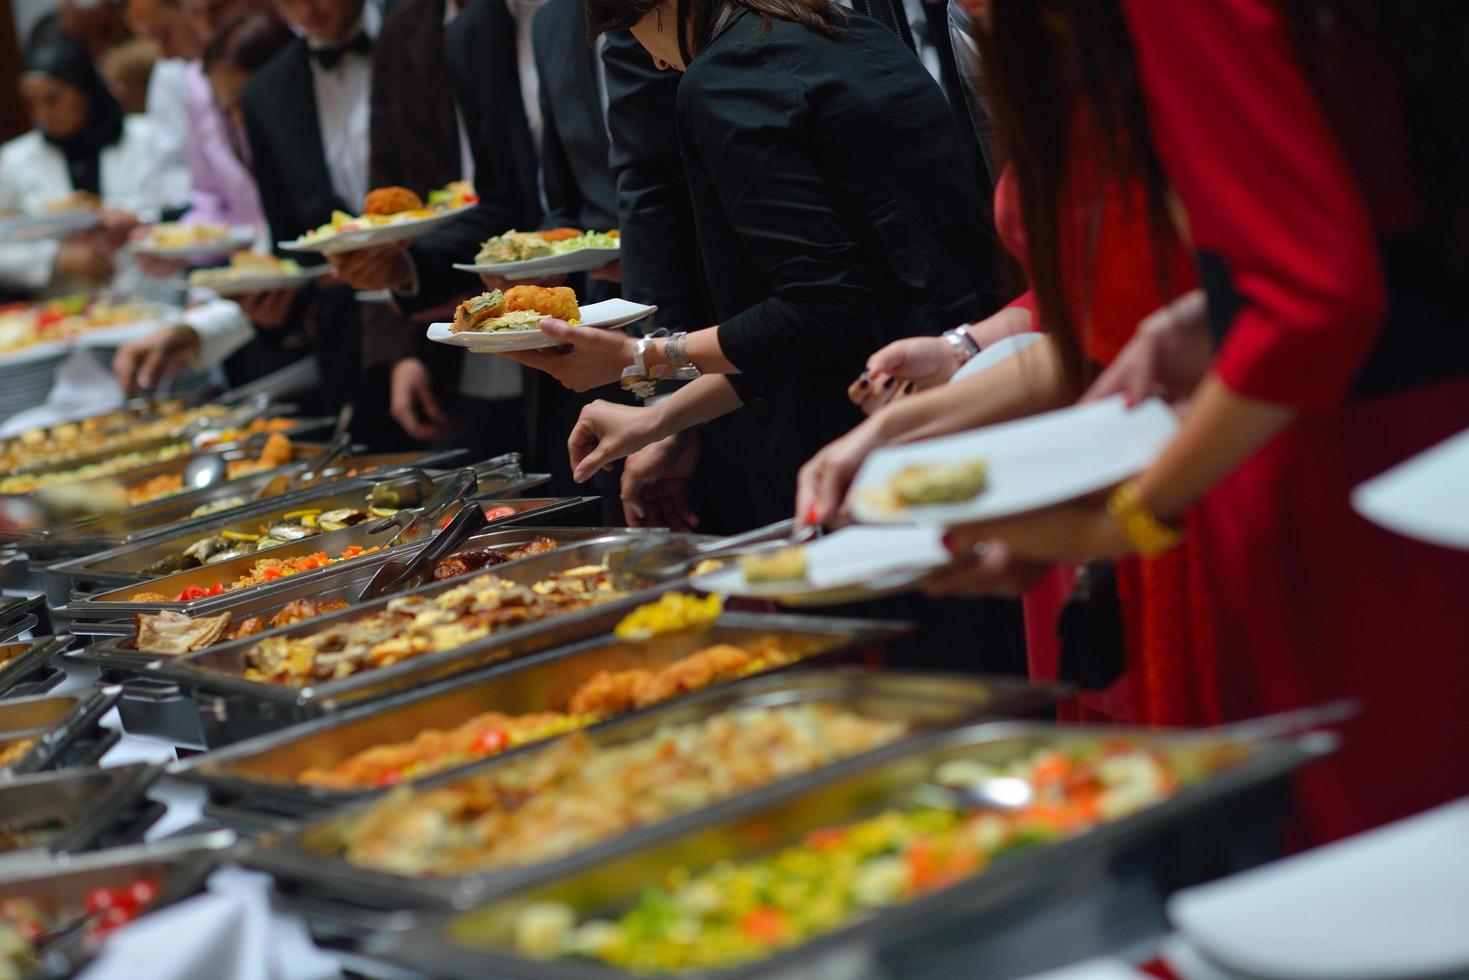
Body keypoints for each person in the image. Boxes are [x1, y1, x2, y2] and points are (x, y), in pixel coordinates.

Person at [932, 0, 1469, 844]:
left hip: (1339, 465)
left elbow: (1314, 302)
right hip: (1407, 441)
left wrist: (1123, 519)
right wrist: (1212, 313)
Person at [514, 0, 994, 513]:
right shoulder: (850, 30)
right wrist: (662, 416)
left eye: (634, 33)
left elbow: (820, 310)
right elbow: (848, 303)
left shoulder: (726, 76)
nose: (655, 62)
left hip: (872, 441)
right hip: (970, 382)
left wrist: (639, 359)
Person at [235, 0, 383, 435]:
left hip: (449, 302)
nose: (306, 7)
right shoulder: (264, 94)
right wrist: (274, 310)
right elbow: (290, 240)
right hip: (349, 345)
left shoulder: (415, 34)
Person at [0, 34, 157, 295]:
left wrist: (137, 220)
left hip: (149, 292)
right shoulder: (14, 160)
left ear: (84, 91)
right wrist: (54, 258)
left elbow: (182, 212)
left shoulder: (146, 138)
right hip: (64, 313)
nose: (42, 114)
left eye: (52, 99)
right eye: (31, 103)